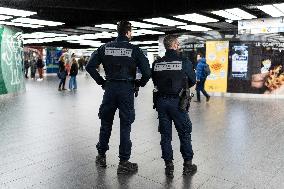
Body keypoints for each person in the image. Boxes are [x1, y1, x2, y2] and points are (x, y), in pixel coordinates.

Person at [86, 21, 151, 174]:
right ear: (128, 32)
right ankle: (124, 161)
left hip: (109, 89)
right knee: (125, 124)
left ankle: (101, 155)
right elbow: (147, 72)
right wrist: (139, 83)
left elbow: (89, 66)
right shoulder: (134, 49)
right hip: (126, 90)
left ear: (117, 31)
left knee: (106, 122)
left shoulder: (104, 48)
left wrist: (101, 82)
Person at [151, 35, 197, 178]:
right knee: (184, 132)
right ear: (176, 45)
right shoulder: (184, 62)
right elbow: (192, 80)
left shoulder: (157, 63)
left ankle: (169, 166)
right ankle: (188, 165)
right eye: (178, 44)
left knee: (165, 135)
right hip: (178, 103)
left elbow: (155, 80)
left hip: (161, 102)